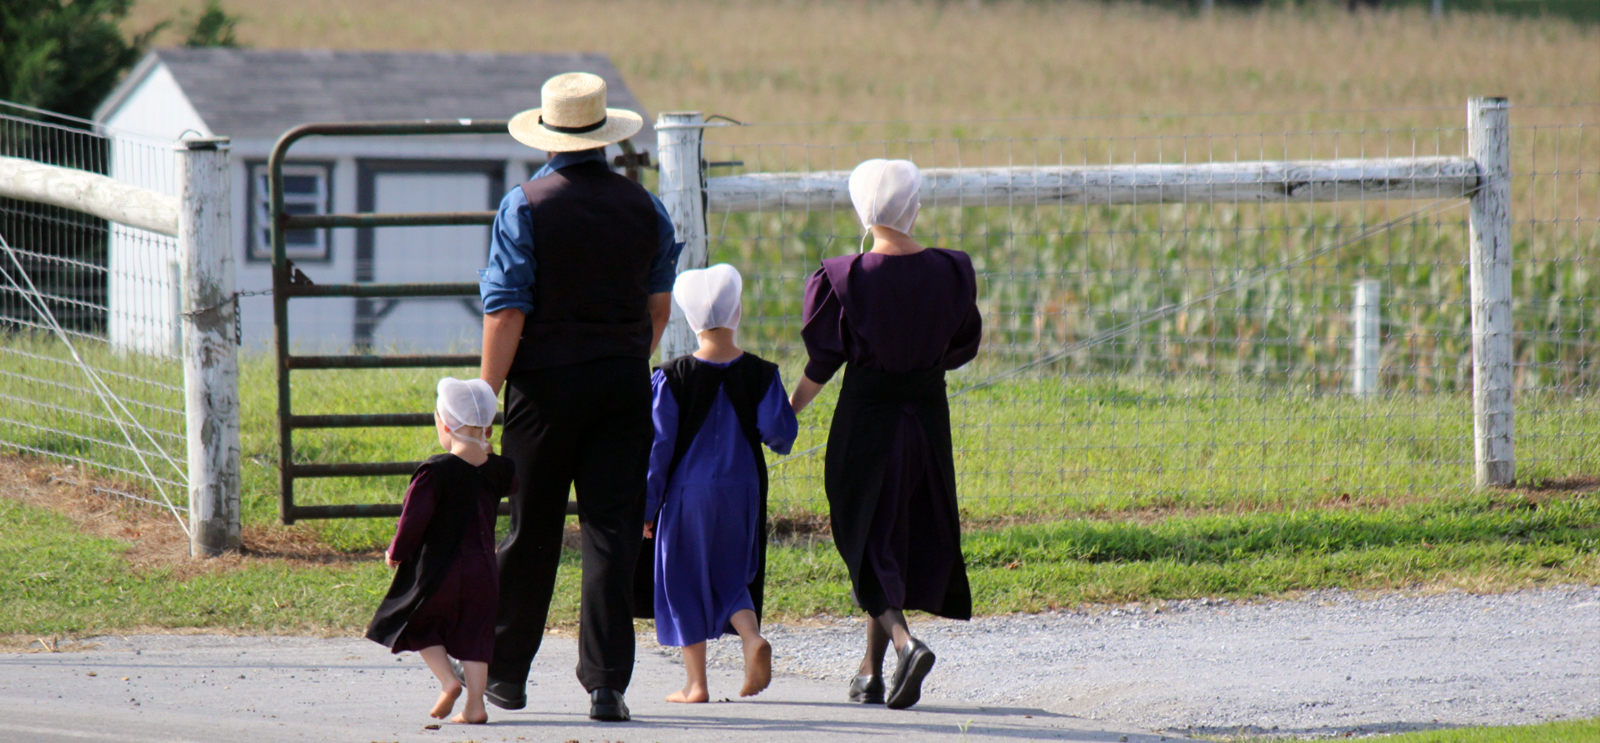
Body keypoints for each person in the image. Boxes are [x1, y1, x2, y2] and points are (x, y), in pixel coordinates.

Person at [476, 71, 683, 723]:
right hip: (621, 381)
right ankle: (606, 683)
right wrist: (623, 358)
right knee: (612, 531)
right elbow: (657, 307)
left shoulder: (525, 206)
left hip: (543, 385)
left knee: (531, 526)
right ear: (605, 137)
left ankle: (506, 674)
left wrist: (486, 393)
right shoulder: (646, 207)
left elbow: (507, 311)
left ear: (548, 137)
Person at [789, 159, 981, 711]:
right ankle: (870, 672)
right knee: (892, 533)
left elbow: (822, 362)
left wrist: (787, 410)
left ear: (859, 211)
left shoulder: (843, 279)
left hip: (866, 418)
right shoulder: (951, 272)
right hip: (926, 415)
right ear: (915, 207)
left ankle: (904, 643)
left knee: (862, 534)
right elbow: (962, 345)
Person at [642, 264, 798, 704]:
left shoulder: (670, 378)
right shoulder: (762, 374)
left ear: (687, 319)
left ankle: (696, 684)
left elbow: (658, 450)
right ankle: (751, 639)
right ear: (739, 311)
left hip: (687, 494)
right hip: (742, 489)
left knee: (684, 577)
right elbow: (781, 437)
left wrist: (647, 508)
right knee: (732, 574)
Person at [366, 377, 515, 725]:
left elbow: (413, 520)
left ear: (443, 424)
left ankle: (449, 681)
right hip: (483, 569)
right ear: (488, 428)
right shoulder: (500, 469)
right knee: (476, 635)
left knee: (420, 623)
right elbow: (511, 481)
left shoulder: (434, 472)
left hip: (439, 568)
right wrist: (488, 454)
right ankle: (476, 705)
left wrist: (396, 552)